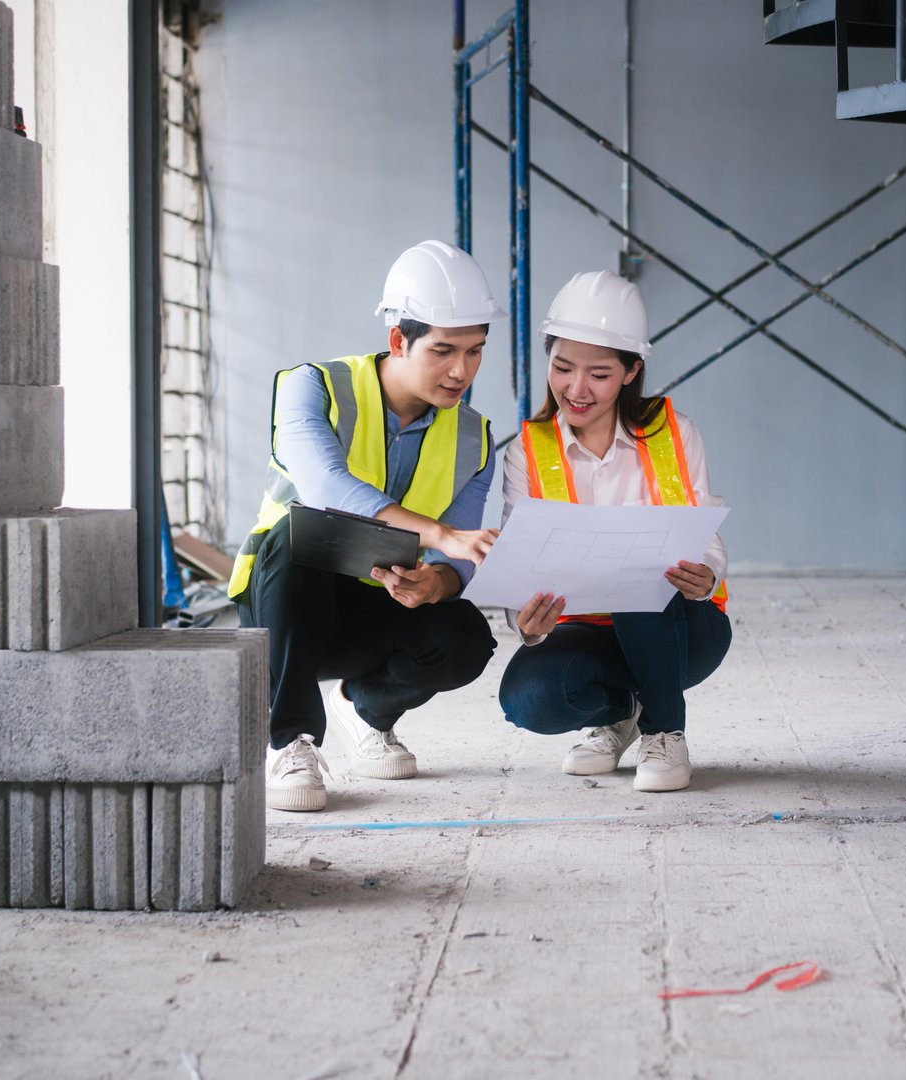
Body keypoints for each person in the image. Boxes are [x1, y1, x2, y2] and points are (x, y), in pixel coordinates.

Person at [229, 240, 505, 812]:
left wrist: (440, 582)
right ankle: (289, 742)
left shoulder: (475, 439)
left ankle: (365, 713)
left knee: (465, 638)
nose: (462, 371)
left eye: (476, 352)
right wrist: (441, 536)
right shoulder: (313, 388)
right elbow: (327, 489)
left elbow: (456, 561)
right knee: (295, 532)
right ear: (398, 340)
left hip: (376, 609)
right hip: (283, 607)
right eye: (444, 351)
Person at [498, 271, 731, 793]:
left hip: (683, 629)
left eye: (599, 374)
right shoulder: (526, 451)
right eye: (561, 367)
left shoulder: (674, 433)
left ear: (631, 372)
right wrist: (528, 623)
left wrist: (706, 574)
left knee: (637, 573)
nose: (576, 390)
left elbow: (704, 536)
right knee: (529, 699)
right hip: (586, 628)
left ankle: (664, 728)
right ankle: (621, 713)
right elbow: (521, 563)